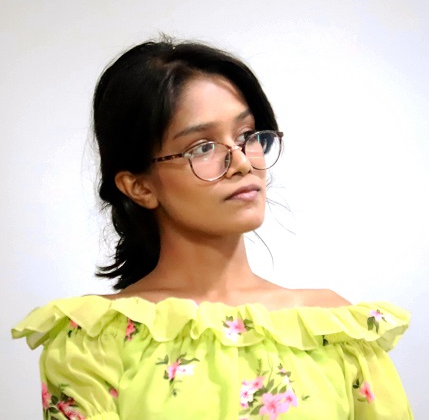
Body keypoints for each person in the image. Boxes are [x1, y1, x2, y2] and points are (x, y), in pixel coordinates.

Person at [12, 37, 413, 420]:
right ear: (139, 186)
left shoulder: (336, 329)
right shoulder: (91, 340)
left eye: (247, 136)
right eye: (202, 147)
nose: (242, 162)